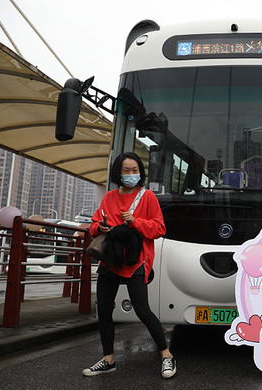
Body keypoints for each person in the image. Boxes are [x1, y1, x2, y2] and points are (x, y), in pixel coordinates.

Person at [82, 152, 176, 379]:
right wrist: (100, 228)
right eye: (127, 170)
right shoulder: (110, 196)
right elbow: (94, 224)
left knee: (142, 310)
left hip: (136, 261)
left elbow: (159, 228)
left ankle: (166, 356)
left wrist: (136, 221)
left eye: (135, 170)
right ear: (118, 172)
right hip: (110, 259)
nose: (132, 174)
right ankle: (108, 360)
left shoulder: (148, 197)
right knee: (104, 310)